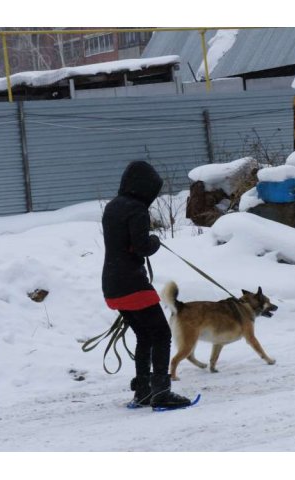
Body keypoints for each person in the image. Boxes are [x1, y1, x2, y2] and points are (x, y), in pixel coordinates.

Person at [102, 160, 191, 409]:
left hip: (112, 284)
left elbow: (123, 242)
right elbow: (141, 246)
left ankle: (142, 391)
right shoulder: (137, 209)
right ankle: (161, 392)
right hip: (132, 283)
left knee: (144, 335)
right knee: (161, 334)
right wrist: (154, 241)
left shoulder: (112, 207)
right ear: (145, 187)